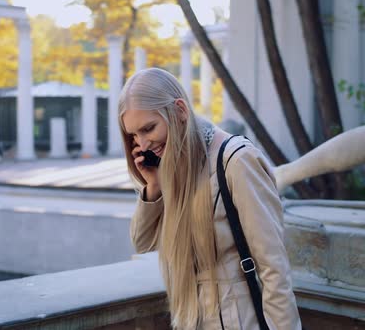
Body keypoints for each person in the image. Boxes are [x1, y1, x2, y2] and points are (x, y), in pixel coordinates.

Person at [119, 68, 302, 330]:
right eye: (134, 136)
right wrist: (154, 186)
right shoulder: (173, 167)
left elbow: (274, 268)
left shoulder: (237, 161)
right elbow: (143, 242)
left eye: (149, 128)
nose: (143, 144)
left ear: (180, 110)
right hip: (191, 318)